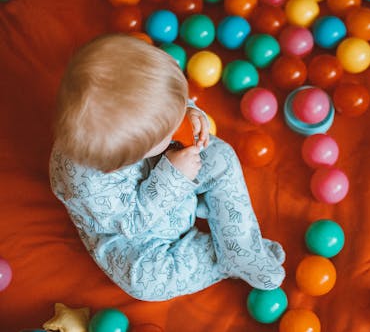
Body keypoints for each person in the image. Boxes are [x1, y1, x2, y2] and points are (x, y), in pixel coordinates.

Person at [49, 34, 285, 301]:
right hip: (135, 229)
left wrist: (187, 109)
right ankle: (220, 259)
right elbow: (131, 223)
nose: (178, 125)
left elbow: (161, 101)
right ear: (126, 161)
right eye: (169, 127)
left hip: (168, 169)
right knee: (146, 281)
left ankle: (241, 248)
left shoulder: (137, 107)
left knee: (221, 157)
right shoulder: (88, 185)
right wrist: (172, 177)